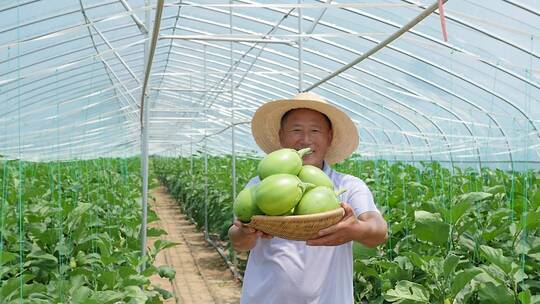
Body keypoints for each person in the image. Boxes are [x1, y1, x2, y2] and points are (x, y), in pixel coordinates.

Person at [228, 92, 388, 304]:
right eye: (296, 130)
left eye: (315, 130)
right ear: (281, 136)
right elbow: (238, 241)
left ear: (329, 137)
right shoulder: (261, 184)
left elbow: (379, 232)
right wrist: (246, 233)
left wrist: (355, 229)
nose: (305, 139)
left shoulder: (348, 187)